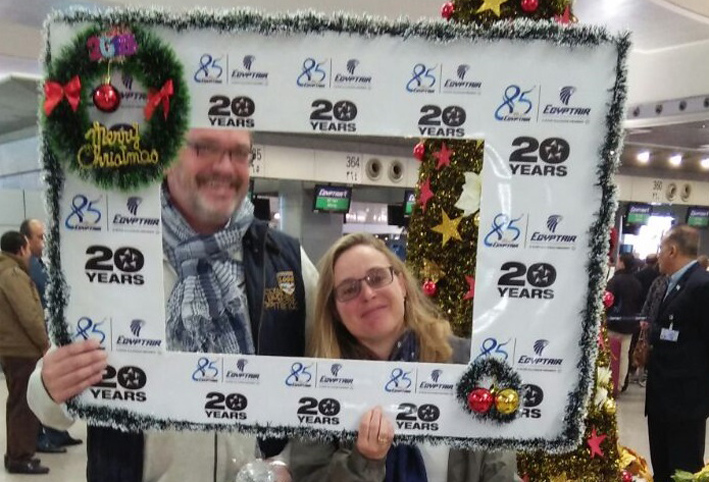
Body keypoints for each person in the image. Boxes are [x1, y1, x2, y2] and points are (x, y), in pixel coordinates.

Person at [27, 129, 318, 482]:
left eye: (240, 153)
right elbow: (50, 406)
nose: (226, 167)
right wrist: (50, 386)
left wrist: (288, 462)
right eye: (204, 148)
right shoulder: (114, 258)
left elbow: (328, 381)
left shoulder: (286, 261)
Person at [290, 233, 518, 482]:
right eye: (349, 289)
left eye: (377, 278)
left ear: (401, 284)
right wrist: (363, 462)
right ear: (335, 310)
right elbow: (308, 477)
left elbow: (498, 466)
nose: (367, 294)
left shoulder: (466, 362)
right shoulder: (319, 387)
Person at [645, 225, 709, 482]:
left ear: (672, 250)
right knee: (662, 469)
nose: (658, 255)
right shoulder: (670, 284)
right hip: (662, 398)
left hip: (685, 403)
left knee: (683, 471)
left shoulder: (701, 286)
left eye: (661, 249)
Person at [20, 218, 81, 451]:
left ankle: (57, 433)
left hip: (50, 331)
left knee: (57, 386)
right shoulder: (27, 268)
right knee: (38, 387)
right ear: (26, 240)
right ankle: (40, 438)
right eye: (39, 237)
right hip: (35, 338)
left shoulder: (41, 264)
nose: (44, 241)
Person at [0, 231, 50, 474]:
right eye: (28, 248)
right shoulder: (13, 275)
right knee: (23, 405)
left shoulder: (6, 271)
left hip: (13, 349)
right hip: (22, 349)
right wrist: (44, 343)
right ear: (21, 249)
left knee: (17, 402)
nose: (30, 254)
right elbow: (29, 315)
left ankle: (16, 454)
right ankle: (20, 457)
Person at [606, 253, 643, 393]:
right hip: (629, 325)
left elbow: (608, 300)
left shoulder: (614, 281)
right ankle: (620, 384)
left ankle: (608, 382)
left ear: (622, 263)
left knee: (610, 354)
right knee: (624, 356)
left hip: (613, 323)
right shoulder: (636, 283)